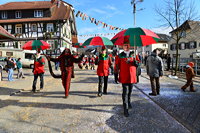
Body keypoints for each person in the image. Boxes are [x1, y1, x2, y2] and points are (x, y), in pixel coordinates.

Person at [115, 43, 139, 117]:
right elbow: (116, 66)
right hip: (124, 76)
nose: (127, 47)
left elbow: (138, 64)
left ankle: (128, 101)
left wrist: (136, 63)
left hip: (132, 76)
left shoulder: (134, 54)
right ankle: (126, 108)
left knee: (130, 91)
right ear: (122, 46)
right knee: (125, 92)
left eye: (128, 45)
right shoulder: (120, 55)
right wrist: (116, 75)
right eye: (125, 45)